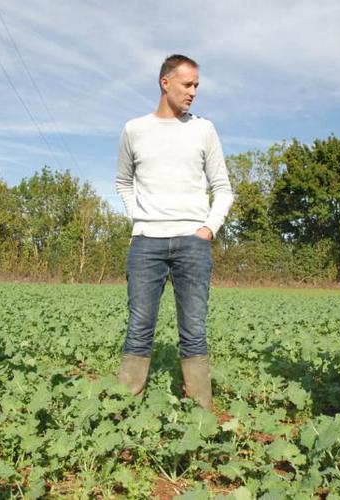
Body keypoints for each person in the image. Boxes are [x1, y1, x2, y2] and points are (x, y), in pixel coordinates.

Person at [114, 54, 234, 409]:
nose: (193, 91)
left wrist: (208, 229)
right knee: (138, 327)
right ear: (165, 83)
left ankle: (201, 412)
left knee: (194, 331)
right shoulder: (134, 129)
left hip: (192, 244)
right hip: (146, 243)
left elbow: (223, 187)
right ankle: (121, 410)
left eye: (197, 85)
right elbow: (123, 181)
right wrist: (138, 219)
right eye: (187, 84)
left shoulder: (203, 129)